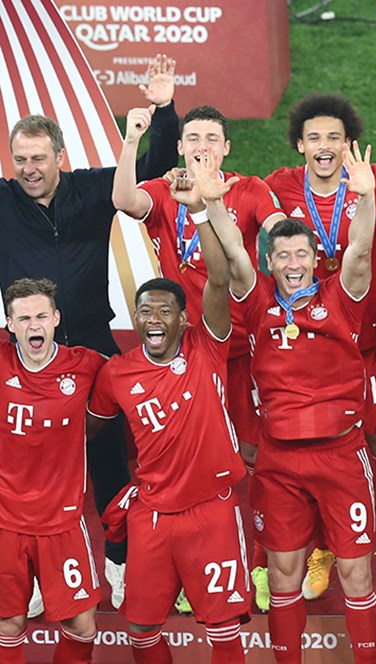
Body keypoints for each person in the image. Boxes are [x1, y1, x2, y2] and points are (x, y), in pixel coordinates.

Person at [1, 54, 179, 610]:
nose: (29, 169)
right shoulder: (2, 201)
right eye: (20, 160)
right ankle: (32, 575)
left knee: (107, 460)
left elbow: (154, 166)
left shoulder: (92, 188)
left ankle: (118, 563)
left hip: (93, 349)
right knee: (29, 466)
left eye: (38, 158)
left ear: (60, 156)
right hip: (26, 355)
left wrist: (164, 111)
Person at [209, 141, 376, 663]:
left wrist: (367, 198)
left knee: (355, 573)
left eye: (301, 254)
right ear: (270, 261)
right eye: (282, 255)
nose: (292, 263)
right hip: (279, 460)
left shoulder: (339, 296)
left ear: (315, 258)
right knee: (284, 574)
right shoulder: (257, 299)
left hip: (341, 455)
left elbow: (360, 251)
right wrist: (212, 203)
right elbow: (234, 254)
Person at [111, 102, 284, 612]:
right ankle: (196, 566)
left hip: (243, 347)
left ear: (226, 148)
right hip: (189, 351)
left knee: (255, 456)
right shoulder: (166, 190)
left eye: (212, 138)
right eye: (193, 138)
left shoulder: (248, 188)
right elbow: (123, 199)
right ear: (180, 147)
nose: (202, 146)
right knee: (190, 458)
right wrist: (132, 138)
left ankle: (260, 563)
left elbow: (278, 229)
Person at [87, 152, 250, 663]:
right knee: (140, 627)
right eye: (145, 311)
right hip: (153, 513)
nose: (153, 318)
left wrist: (199, 210)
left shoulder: (208, 346)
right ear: (135, 319)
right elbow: (91, 430)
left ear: (183, 319)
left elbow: (219, 280)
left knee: (223, 627)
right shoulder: (116, 374)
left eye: (164, 311)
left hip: (210, 511)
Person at [265, 93, 376, 601]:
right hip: (315, 350)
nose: (324, 146)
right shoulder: (280, 185)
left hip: (369, 341)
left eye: (335, 138)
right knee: (322, 447)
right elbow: (240, 199)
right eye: (315, 138)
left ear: (349, 144)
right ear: (300, 145)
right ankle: (324, 546)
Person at [0, 279, 105, 663]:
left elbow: (132, 379)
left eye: (42, 316)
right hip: (5, 522)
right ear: (10, 324)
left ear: (56, 318)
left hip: (62, 522)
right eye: (24, 318)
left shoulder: (86, 364)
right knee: (8, 623)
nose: (34, 326)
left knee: (83, 625)